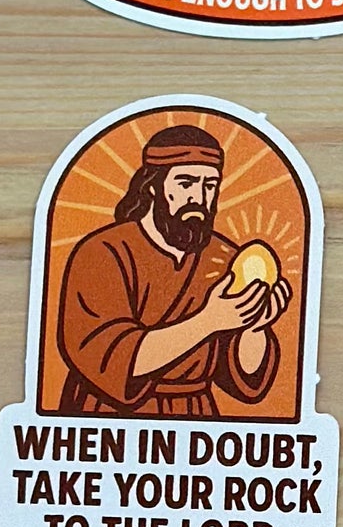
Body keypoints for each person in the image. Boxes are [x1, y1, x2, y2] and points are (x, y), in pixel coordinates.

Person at [55, 125, 292, 417]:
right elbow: (111, 358)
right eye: (186, 183)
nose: (199, 197)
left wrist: (253, 328)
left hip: (194, 417)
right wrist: (208, 321)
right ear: (153, 185)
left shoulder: (223, 256)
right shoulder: (103, 252)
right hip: (110, 418)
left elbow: (238, 374)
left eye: (209, 185)